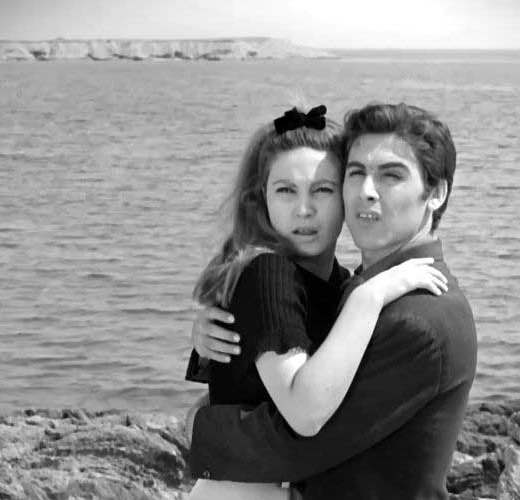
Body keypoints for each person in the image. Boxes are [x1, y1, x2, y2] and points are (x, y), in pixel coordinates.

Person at [187, 103, 478, 500]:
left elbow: (296, 438)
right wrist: (218, 342)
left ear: (436, 193)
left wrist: (199, 424)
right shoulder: (353, 286)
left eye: (391, 175)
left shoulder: (412, 318)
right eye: (356, 173)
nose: (367, 192)